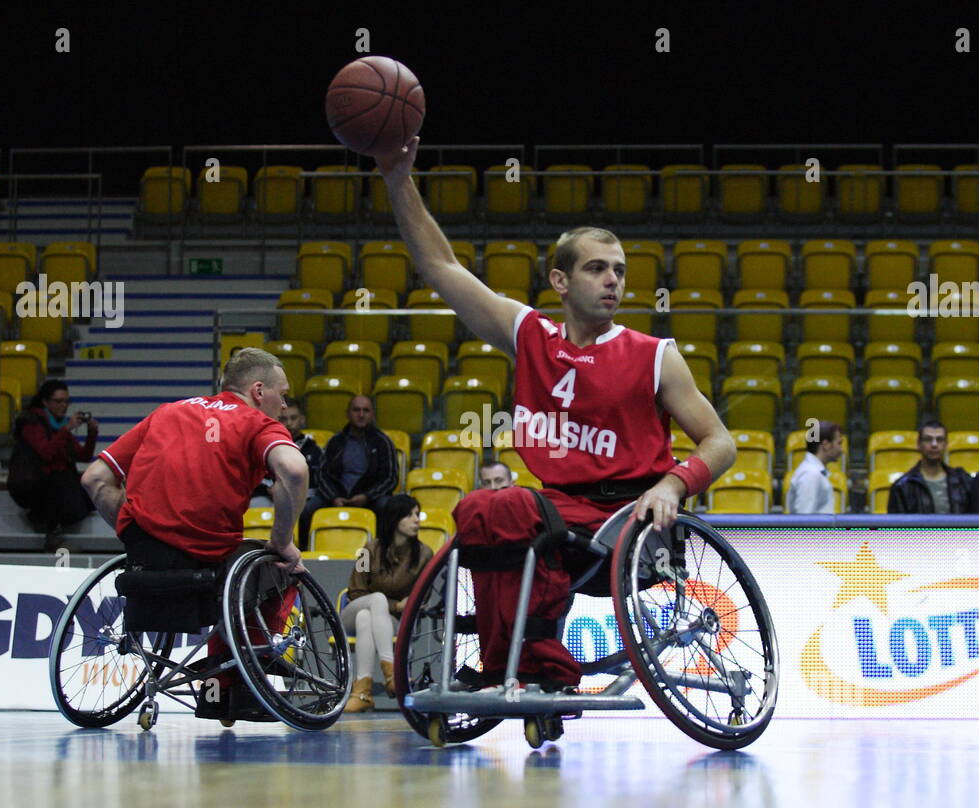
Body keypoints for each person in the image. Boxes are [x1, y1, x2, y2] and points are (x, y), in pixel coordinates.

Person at [378, 136, 736, 691]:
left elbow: (720, 441)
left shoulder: (654, 355)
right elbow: (441, 265)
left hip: (631, 520)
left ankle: (539, 667)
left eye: (619, 270)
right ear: (561, 281)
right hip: (556, 512)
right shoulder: (529, 334)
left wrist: (673, 484)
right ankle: (510, 661)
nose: (613, 279)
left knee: (518, 510)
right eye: (597, 268)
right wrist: (398, 178)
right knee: (479, 508)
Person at [79, 348, 308, 722]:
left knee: (242, 566)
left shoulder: (166, 413)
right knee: (281, 569)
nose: (284, 406)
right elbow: (295, 472)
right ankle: (240, 683)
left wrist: (136, 535)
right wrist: (282, 542)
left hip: (144, 562)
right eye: (282, 395)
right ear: (258, 390)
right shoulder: (255, 423)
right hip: (208, 561)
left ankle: (219, 688)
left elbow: (94, 479)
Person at [341, 494, 434, 713]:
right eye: (410, 515)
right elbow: (355, 591)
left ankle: (362, 693)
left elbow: (423, 597)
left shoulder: (425, 554)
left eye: (417, 515)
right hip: (353, 612)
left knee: (368, 618)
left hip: (389, 623)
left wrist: (397, 608)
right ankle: (393, 674)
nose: (416, 520)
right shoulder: (367, 549)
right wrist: (394, 605)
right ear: (394, 518)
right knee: (374, 603)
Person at [8, 378, 99, 550]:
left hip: (53, 484)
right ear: (45, 401)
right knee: (57, 480)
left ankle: (40, 517)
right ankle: (52, 535)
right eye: (58, 401)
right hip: (29, 483)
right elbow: (46, 453)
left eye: (66, 401)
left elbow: (84, 455)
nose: (63, 406)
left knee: (88, 494)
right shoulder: (32, 423)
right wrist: (66, 429)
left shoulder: (60, 426)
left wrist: (92, 433)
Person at [300, 394, 398, 548]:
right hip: (336, 495)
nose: (361, 415)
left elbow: (391, 478)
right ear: (348, 413)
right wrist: (334, 497)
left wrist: (367, 496)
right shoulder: (335, 441)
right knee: (307, 510)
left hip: (371, 497)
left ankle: (381, 555)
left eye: (365, 410)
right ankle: (303, 557)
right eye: (356, 410)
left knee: (387, 507)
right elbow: (322, 474)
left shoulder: (382, 442)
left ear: (372, 414)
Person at [886, 420, 972, 514]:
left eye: (939, 440)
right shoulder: (903, 486)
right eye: (928, 439)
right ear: (918, 444)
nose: (934, 445)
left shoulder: (962, 481)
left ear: (946, 444)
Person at [254, 400, 323, 502]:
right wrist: (268, 490)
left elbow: (317, 481)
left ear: (302, 419)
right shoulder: (263, 446)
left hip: (303, 498)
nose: (289, 423)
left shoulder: (313, 450)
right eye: (283, 419)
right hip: (268, 496)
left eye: (293, 418)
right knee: (255, 504)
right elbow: (254, 476)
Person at [787, 421, 843, 514]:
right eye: (839, 443)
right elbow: (804, 521)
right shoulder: (811, 475)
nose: (841, 449)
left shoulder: (814, 472)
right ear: (826, 445)